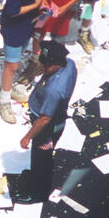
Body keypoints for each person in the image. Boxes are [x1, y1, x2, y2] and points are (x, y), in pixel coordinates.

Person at [16, 41, 77, 206]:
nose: (43, 68)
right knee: (43, 156)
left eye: (46, 65)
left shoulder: (54, 90)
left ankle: (38, 194)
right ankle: (41, 172)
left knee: (40, 159)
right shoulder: (69, 64)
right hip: (51, 118)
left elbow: (44, 119)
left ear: (57, 64)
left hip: (47, 127)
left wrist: (27, 137)